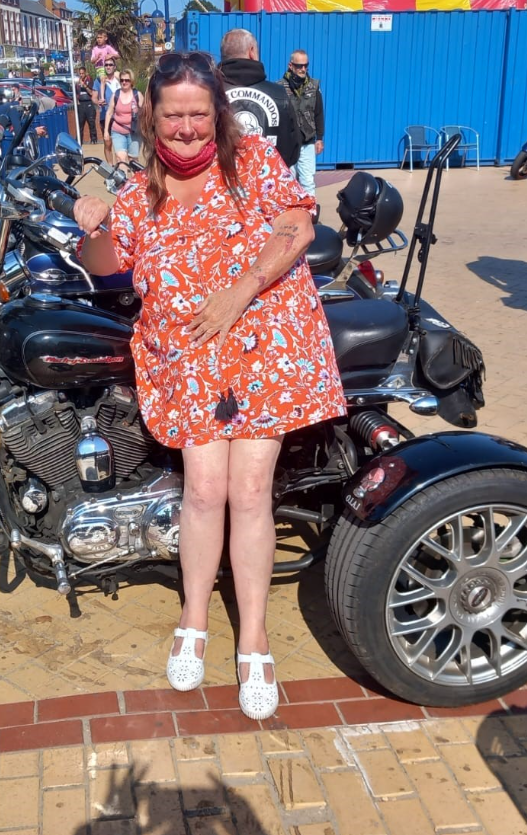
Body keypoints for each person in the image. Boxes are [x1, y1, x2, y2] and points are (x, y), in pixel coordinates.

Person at [72, 52, 345, 721]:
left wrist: (236, 293)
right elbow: (107, 263)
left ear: (217, 113)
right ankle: (193, 618)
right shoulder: (141, 192)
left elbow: (297, 226)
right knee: (204, 489)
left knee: (250, 491)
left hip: (263, 345)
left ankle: (253, 638)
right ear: (151, 119)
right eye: (174, 116)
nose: (188, 128)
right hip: (187, 354)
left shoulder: (251, 160)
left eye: (199, 114)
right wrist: (93, 224)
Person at [218, 28, 301, 169]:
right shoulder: (279, 94)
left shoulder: (209, 95)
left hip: (223, 182)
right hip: (267, 185)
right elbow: (293, 148)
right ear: (251, 52)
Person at [278, 49, 324, 221]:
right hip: (287, 144)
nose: (303, 69)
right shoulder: (279, 87)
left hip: (307, 142)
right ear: (291, 66)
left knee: (307, 181)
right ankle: (289, 216)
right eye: (299, 66)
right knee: (288, 181)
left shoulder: (314, 86)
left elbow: (319, 113)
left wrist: (320, 138)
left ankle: (310, 217)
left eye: (306, 65)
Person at [104, 69, 143, 165]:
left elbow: (145, 112)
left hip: (134, 132)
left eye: (127, 80)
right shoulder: (116, 95)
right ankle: (124, 180)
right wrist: (106, 131)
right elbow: (109, 113)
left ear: (131, 81)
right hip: (118, 131)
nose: (124, 82)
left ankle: (133, 180)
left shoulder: (137, 95)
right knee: (120, 159)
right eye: (122, 80)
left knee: (133, 161)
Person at [93, 59, 121, 164]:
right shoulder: (99, 81)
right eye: (106, 65)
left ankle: (121, 166)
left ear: (114, 66)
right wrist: (98, 102)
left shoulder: (120, 80)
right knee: (107, 142)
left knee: (120, 144)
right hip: (105, 116)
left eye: (110, 65)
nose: (108, 67)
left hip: (120, 116)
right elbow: (94, 97)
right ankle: (110, 166)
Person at [74, 68, 98, 143]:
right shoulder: (77, 83)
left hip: (89, 103)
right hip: (81, 103)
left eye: (82, 73)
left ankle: (93, 139)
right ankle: (79, 140)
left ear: (85, 73)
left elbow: (91, 92)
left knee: (91, 122)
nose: (81, 75)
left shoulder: (89, 80)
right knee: (80, 123)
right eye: (80, 74)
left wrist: (84, 85)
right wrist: (77, 101)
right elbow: (76, 93)